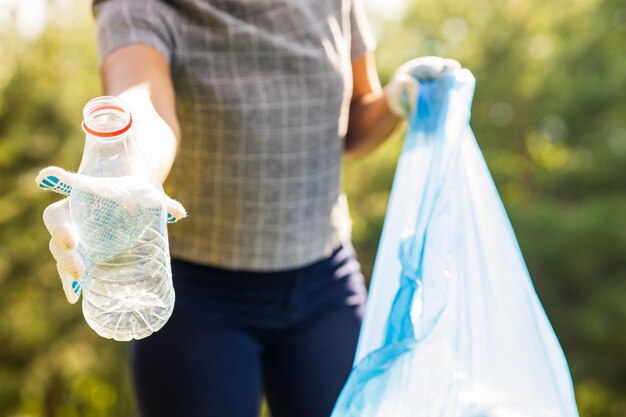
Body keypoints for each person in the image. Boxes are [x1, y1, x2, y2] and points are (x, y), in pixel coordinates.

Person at [39, 0, 460, 416]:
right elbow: (144, 100)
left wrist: (395, 101)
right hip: (199, 299)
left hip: (324, 283)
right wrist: (125, 172)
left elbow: (353, 124)